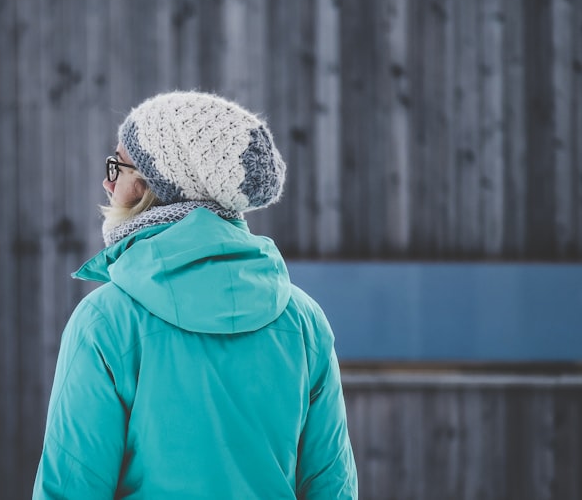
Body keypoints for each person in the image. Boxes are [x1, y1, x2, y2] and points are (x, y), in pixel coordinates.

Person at [33, 91, 358, 499]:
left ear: (150, 188)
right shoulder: (304, 321)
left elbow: (71, 489)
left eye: (116, 166)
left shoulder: (105, 322)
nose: (106, 181)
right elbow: (332, 487)